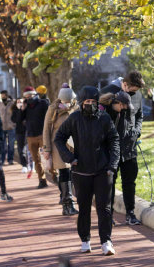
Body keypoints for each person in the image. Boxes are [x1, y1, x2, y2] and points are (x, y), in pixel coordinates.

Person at [54, 86, 120, 256]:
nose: (90, 104)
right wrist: (70, 158)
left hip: (103, 170)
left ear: (98, 103)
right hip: (81, 171)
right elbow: (59, 138)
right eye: (87, 102)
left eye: (93, 102)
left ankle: (106, 241)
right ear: (82, 102)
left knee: (104, 208)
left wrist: (112, 165)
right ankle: (85, 240)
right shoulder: (74, 118)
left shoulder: (104, 118)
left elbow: (114, 140)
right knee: (83, 208)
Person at [100, 70, 144, 225]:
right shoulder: (107, 93)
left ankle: (130, 213)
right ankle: (108, 213)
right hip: (111, 147)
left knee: (129, 181)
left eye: (136, 91)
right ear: (125, 84)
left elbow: (139, 116)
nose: (134, 93)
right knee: (109, 181)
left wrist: (137, 131)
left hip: (130, 147)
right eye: (132, 90)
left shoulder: (137, 95)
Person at [43, 83, 79, 215]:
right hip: (58, 145)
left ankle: (69, 202)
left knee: (72, 174)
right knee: (64, 173)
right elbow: (46, 130)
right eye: (65, 101)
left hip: (74, 145)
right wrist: (46, 149)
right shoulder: (53, 109)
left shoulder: (77, 108)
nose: (67, 104)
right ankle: (67, 204)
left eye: (69, 101)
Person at [21, 86, 50, 189]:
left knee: (48, 158)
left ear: (35, 94)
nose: (28, 97)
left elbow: (49, 117)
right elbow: (18, 120)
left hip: (42, 135)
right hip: (31, 136)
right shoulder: (26, 106)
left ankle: (55, 176)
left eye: (30, 95)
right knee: (36, 160)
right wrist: (22, 109)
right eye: (26, 96)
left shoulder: (43, 103)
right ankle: (42, 180)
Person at [0, 90, 16, 165]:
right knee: (2, 145)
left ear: (7, 95)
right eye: (1, 96)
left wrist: (14, 124)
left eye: (4, 95)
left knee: (11, 145)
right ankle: (2, 160)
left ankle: (10, 159)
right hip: (2, 127)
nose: (2, 97)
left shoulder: (12, 104)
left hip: (11, 127)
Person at [11, 97, 28, 172]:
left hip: (28, 131)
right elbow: (15, 120)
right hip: (19, 132)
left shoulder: (28, 110)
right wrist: (20, 111)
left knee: (29, 149)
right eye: (18, 102)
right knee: (21, 149)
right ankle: (24, 165)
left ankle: (31, 164)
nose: (19, 103)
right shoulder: (15, 111)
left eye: (21, 102)